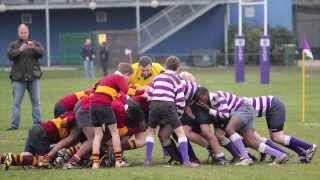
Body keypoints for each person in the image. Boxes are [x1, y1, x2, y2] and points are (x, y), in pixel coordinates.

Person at [196, 87, 289, 166]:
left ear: (206, 94)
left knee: (229, 129)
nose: (200, 101)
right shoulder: (211, 101)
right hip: (247, 110)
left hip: (243, 108)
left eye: (200, 98)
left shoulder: (217, 96)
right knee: (251, 141)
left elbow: (225, 115)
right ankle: (280, 155)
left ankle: (245, 158)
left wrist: (208, 110)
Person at [144, 56, 198, 168]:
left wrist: (152, 105)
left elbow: (150, 92)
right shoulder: (178, 79)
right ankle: (186, 161)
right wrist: (178, 113)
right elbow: (180, 99)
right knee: (180, 133)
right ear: (178, 67)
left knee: (151, 132)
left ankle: (148, 160)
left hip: (154, 104)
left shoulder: (157, 77)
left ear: (165, 65)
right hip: (168, 105)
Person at [244, 95, 317, 163]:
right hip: (271, 107)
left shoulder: (237, 108)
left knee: (278, 137)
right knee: (275, 137)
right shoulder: (236, 105)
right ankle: (302, 153)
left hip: (274, 106)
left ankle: (309, 147)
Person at [90, 63, 134, 169]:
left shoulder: (107, 77)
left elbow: (95, 87)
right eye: (129, 78)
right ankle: (118, 161)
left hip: (93, 105)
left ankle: (95, 163)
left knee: (97, 135)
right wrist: (139, 91)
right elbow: (126, 90)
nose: (128, 80)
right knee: (115, 132)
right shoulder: (119, 77)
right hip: (104, 105)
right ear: (126, 74)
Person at [7, 24, 44, 131]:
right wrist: (20, 49)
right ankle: (14, 125)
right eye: (22, 32)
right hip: (18, 79)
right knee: (16, 103)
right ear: (18, 33)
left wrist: (34, 48)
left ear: (28, 32)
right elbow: (10, 55)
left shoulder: (35, 43)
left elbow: (42, 53)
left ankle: (37, 124)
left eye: (25, 32)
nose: (24, 34)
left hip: (33, 77)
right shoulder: (13, 44)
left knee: (36, 102)